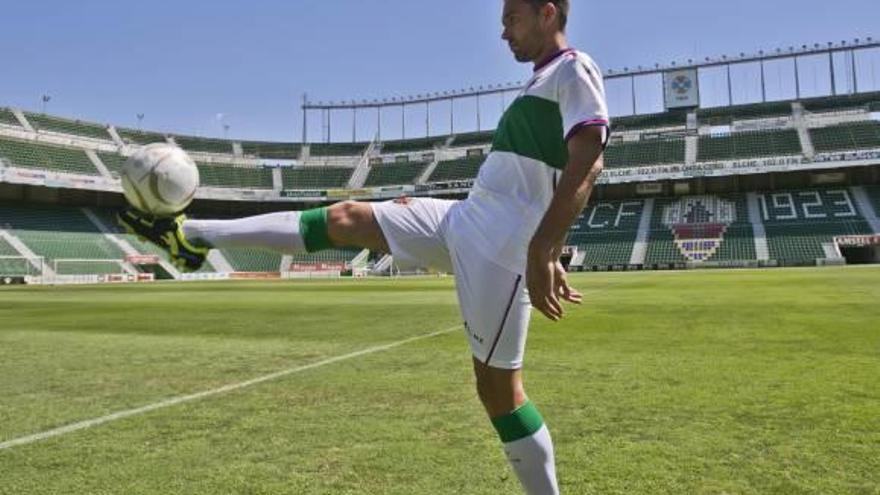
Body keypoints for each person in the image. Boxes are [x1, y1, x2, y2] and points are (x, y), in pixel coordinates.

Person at [120, 1, 607, 492]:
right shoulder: (541, 79)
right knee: (346, 216)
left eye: (511, 19)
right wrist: (549, 242)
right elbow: (541, 181)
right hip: (465, 218)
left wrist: (542, 249)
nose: (504, 33)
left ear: (548, 13)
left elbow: (587, 161)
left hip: (499, 247)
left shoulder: (575, 69)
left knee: (500, 393)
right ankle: (190, 235)